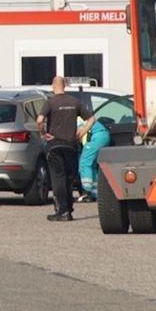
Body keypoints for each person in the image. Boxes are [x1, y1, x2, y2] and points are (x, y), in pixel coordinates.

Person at [37, 76, 89, 221]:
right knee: (69, 178)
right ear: (64, 86)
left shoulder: (50, 102)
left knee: (58, 178)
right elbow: (92, 119)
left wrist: (43, 134)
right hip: (71, 145)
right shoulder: (74, 101)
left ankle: (62, 211)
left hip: (55, 145)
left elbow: (39, 120)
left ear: (54, 86)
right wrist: (81, 133)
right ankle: (69, 209)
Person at [76, 109, 111, 202]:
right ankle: (96, 192)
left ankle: (86, 191)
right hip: (102, 135)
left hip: (95, 137)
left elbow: (79, 132)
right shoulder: (80, 117)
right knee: (92, 165)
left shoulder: (76, 119)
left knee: (85, 163)